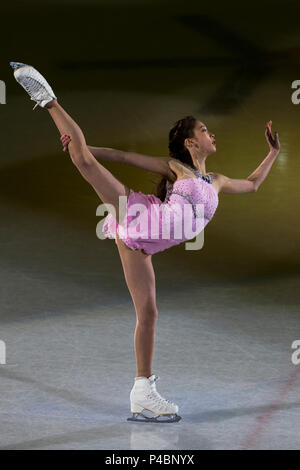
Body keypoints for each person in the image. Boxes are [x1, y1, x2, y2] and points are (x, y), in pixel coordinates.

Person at [10, 62, 280, 423]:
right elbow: (123, 157)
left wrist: (273, 153)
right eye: (205, 130)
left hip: (142, 245)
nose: (211, 134)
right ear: (190, 142)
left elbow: (253, 184)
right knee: (84, 162)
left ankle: (142, 393)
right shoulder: (176, 168)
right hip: (137, 215)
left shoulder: (217, 179)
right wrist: (86, 148)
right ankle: (48, 100)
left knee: (149, 314)